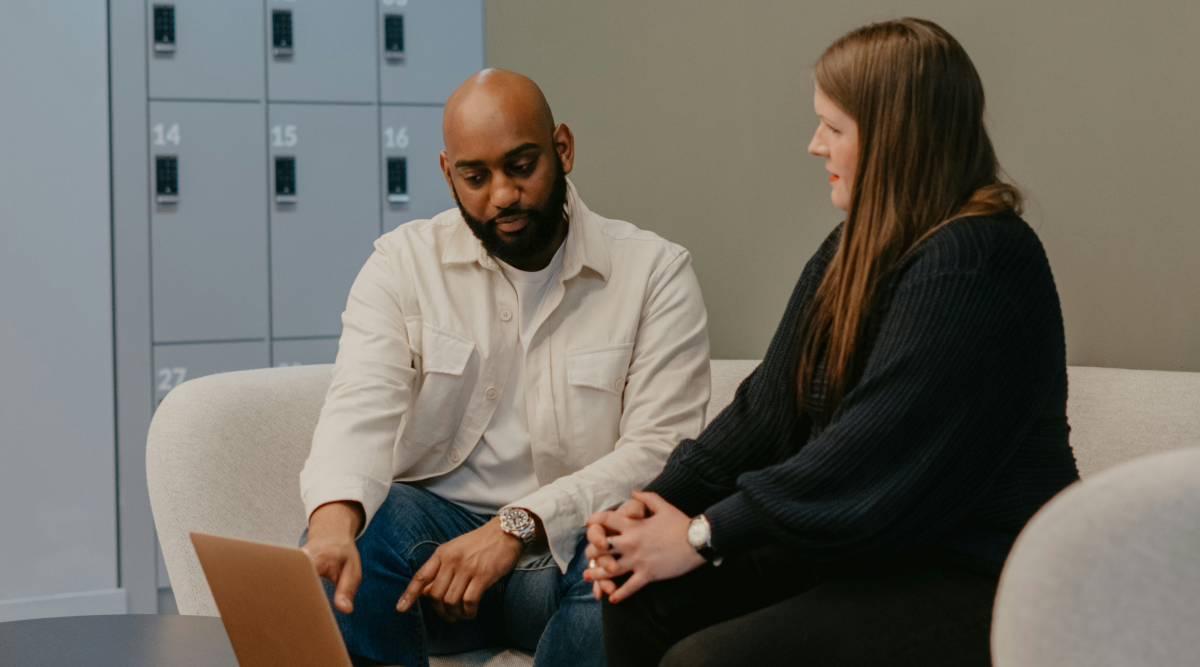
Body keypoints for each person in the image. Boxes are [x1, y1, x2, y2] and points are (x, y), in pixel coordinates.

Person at [584, 18, 1080, 667]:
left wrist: (703, 534)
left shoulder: (978, 261)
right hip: (873, 553)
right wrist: (654, 507)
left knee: (704, 661)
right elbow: (766, 409)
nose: (814, 145)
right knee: (641, 596)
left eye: (835, 128)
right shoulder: (855, 246)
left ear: (896, 140)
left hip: (981, 576)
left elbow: (868, 453)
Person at [298, 69, 710, 667]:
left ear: (562, 148)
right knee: (350, 535)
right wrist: (332, 527)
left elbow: (658, 450)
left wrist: (515, 527)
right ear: (447, 174)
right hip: (435, 553)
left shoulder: (654, 273)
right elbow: (361, 401)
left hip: (575, 552)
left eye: (522, 166)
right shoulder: (402, 264)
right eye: (475, 176)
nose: (503, 195)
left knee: (632, 568)